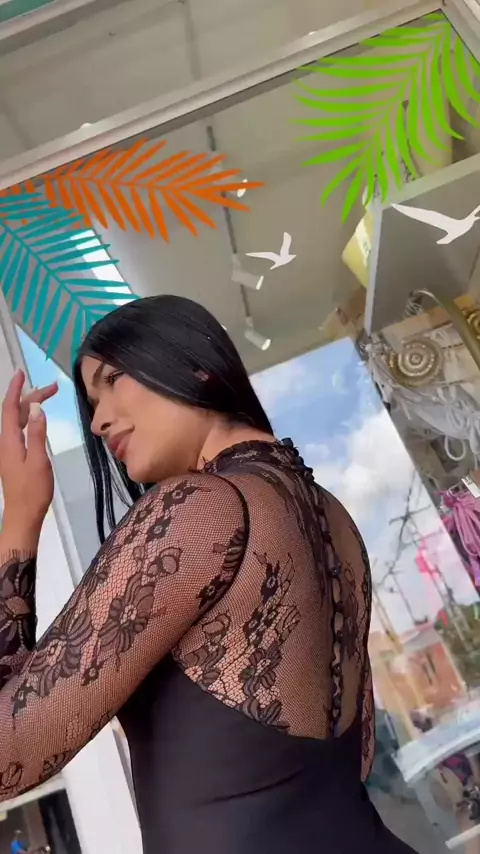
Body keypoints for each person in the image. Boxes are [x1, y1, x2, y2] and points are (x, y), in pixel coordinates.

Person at [0, 295, 418, 853]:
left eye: (113, 380)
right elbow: (356, 749)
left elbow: (9, 753)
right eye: (92, 403)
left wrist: (20, 515)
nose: (97, 422)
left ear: (195, 364)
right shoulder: (333, 519)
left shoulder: (201, 510)